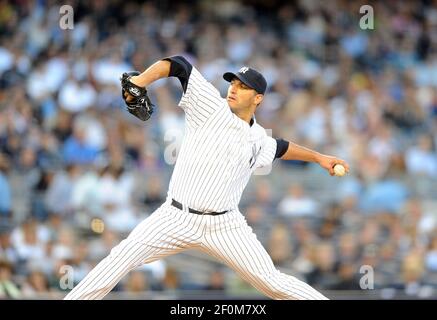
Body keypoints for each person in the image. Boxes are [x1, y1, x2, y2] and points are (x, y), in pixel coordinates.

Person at [64, 56, 349, 300]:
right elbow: (179, 65)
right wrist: (142, 81)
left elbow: (282, 148)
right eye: (233, 83)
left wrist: (320, 158)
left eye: (243, 86)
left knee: (273, 283)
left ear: (258, 98)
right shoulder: (211, 106)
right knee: (120, 257)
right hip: (175, 217)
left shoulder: (258, 137)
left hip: (225, 225)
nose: (234, 89)